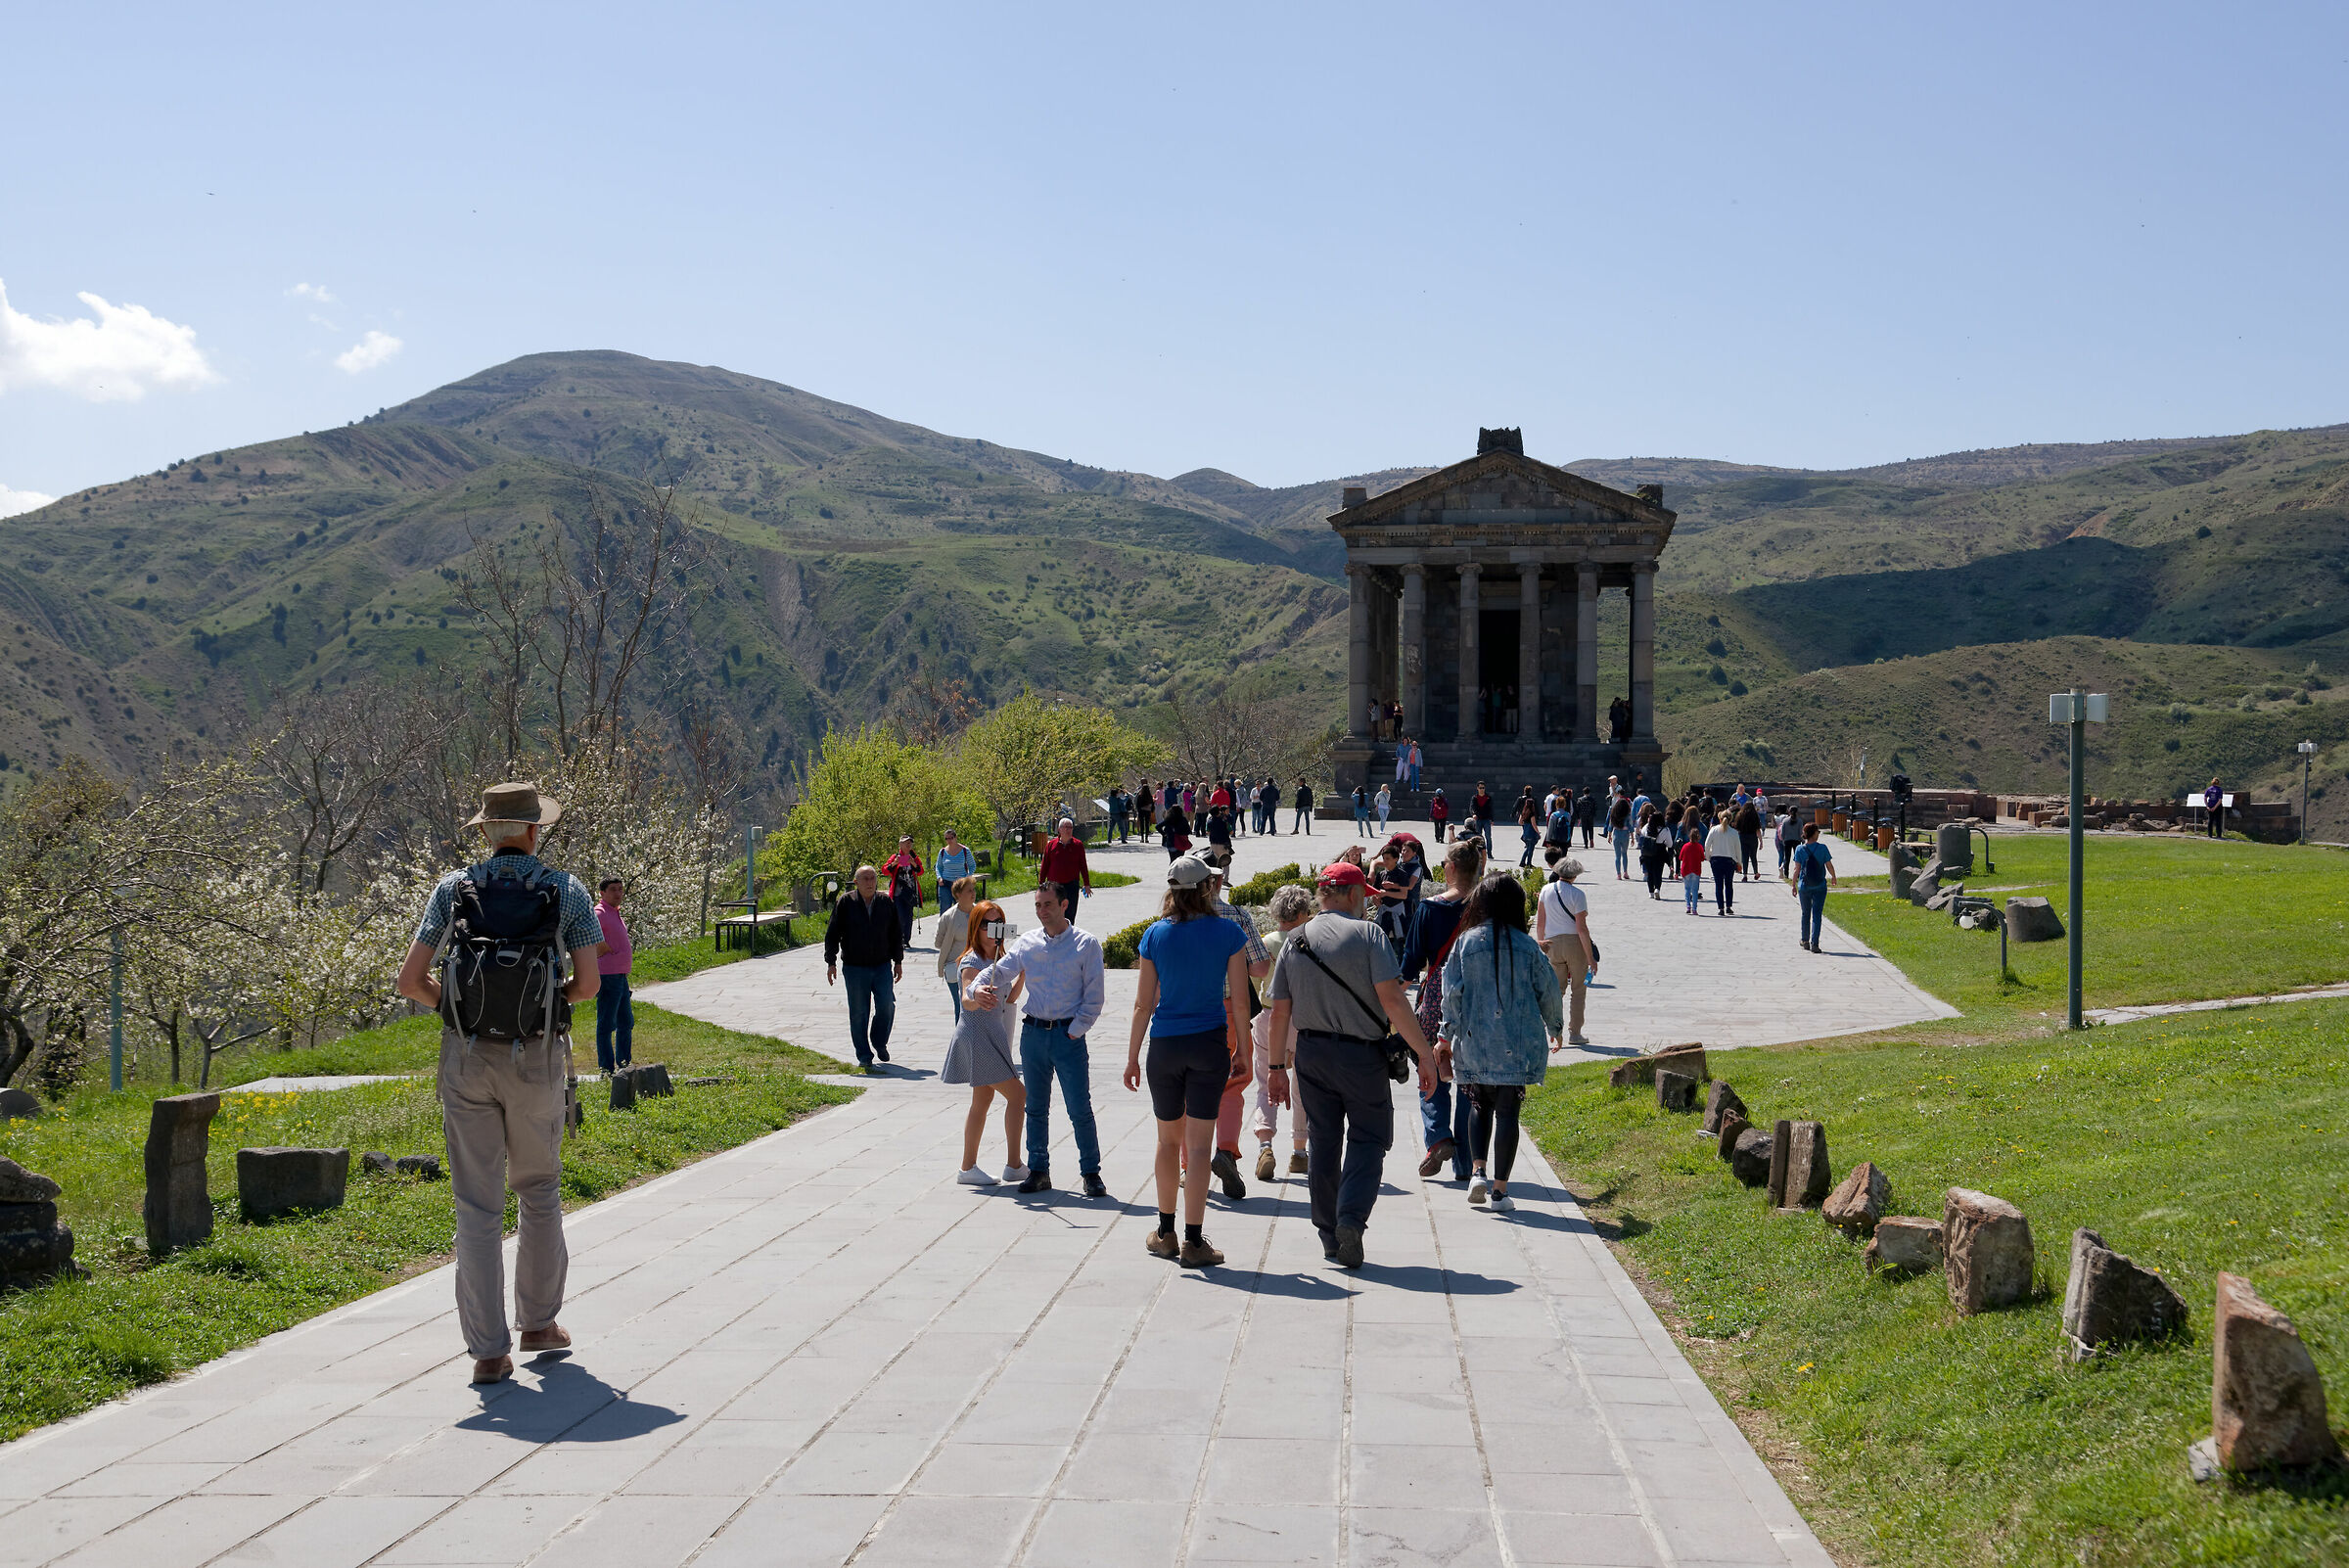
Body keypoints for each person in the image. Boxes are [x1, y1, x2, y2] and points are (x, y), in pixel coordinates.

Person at [394, 781, 602, 1386]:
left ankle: (488, 1352)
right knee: (538, 1188)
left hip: (466, 1058)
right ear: (535, 831)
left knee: (477, 1206)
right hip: (535, 1058)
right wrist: (542, 1007)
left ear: (486, 832)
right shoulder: (566, 891)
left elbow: (411, 979)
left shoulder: (451, 890)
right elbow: (587, 984)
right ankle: (537, 1324)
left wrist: (460, 1015)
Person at [1263, 862, 1436, 1268]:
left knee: (1323, 1141)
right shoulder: (1369, 934)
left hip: (1311, 1054)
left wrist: (1274, 1069)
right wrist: (1424, 1054)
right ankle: (1351, 1221)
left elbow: (1279, 1012)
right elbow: (1393, 1000)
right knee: (1369, 1138)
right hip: (1361, 1056)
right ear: (1355, 895)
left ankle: (1327, 1235)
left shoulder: (1295, 939)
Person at [1125, 855, 1251, 1266]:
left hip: (1164, 1047)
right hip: (1209, 1045)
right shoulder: (1228, 933)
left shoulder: (1155, 936)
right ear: (1206, 889)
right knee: (1199, 1147)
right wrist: (1245, 1050)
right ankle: (1194, 1243)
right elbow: (1241, 999)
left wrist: (1131, 1058)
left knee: (1167, 1141)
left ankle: (1165, 1233)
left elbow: (1144, 1004)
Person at [974, 883, 1108, 1197]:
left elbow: (1094, 995)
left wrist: (1077, 1028)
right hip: (1033, 1035)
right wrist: (976, 990)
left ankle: (1091, 1173)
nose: (1042, 911)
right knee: (1035, 1107)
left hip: (1068, 1036)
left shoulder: (1086, 944)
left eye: (1047, 904)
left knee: (1079, 1108)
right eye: (1037, 905)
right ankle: (1038, 1170)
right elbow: (999, 972)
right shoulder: (1027, 943)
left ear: (1064, 905)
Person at [1441, 873, 1559, 1213]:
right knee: (1508, 1114)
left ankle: (1477, 1171)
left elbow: (1452, 994)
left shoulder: (1466, 942)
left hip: (1475, 1040)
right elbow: (1548, 990)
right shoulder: (1526, 946)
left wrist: (1444, 1035)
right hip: (1517, 1045)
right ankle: (1500, 1192)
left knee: (1479, 1106)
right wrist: (1556, 1026)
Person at [1407, 838, 1482, 1182]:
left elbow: (1411, 962)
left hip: (1438, 992)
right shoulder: (1486, 906)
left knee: (1430, 1065)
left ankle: (1438, 1136)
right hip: (1480, 995)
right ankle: (1466, 1165)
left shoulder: (1430, 908)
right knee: (1470, 1079)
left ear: (1450, 869)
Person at [944, 900, 1031, 1187]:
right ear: (976, 928)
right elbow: (967, 997)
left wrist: (1022, 975)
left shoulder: (1001, 958)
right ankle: (1014, 1165)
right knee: (1018, 1095)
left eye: (998, 923)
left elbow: (1009, 1000)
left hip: (992, 1035)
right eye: (986, 924)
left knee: (982, 1101)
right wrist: (976, 995)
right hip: (977, 1035)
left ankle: (968, 1167)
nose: (993, 930)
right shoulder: (971, 960)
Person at [1251, 884, 1314, 1181]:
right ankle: (1299, 1151)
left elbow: (1254, 984)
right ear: (1303, 912)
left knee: (1266, 1082)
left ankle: (1265, 1144)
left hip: (1268, 1015)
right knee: (1303, 1086)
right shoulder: (1310, 941)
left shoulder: (1266, 942)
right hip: (1303, 1019)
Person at [824, 864, 904, 1073]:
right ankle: (864, 1055)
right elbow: (833, 932)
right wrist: (831, 962)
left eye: (872, 878)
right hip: (854, 967)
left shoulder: (885, 902)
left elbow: (896, 933)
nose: (870, 882)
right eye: (865, 879)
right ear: (856, 882)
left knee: (887, 1005)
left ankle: (879, 1041)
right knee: (859, 1012)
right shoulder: (846, 902)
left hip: (881, 965)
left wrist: (898, 961)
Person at [1533, 852, 1592, 1047]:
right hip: (1575, 943)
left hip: (1552, 943)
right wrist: (1591, 957)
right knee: (1578, 989)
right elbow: (1581, 929)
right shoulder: (1578, 895)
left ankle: (1548, 1026)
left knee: (1555, 990)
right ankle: (1575, 1033)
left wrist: (1541, 943)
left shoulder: (1545, 890)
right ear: (1575, 875)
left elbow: (1540, 923)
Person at [593, 877, 633, 1074]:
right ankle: (606, 1068)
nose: (618, 893)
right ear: (602, 893)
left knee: (626, 1022)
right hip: (608, 976)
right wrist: (606, 950)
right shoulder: (599, 913)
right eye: (613, 890)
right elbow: (588, 935)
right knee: (607, 1023)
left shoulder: (614, 912)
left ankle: (624, 1064)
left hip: (620, 976)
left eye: (620, 889)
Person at [936, 875, 979, 1023]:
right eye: (969, 891)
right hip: (955, 967)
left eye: (973, 890)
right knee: (960, 1004)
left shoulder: (981, 913)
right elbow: (938, 943)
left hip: (977, 966)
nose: (973, 893)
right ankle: (961, 1039)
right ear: (958, 895)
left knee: (976, 1004)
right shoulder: (948, 916)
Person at [1790, 823, 1838, 953]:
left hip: (1804, 886)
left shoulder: (1800, 849)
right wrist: (1833, 877)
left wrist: (1793, 884)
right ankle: (1815, 943)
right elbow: (1829, 865)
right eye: (1818, 832)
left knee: (1806, 913)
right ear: (1813, 833)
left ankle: (1805, 940)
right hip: (1820, 886)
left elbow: (1797, 869)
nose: (1818, 834)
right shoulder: (1822, 848)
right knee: (1817, 915)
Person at [1040, 817, 1092, 921]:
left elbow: (1083, 865)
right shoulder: (1051, 845)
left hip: (1071, 885)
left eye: (1070, 827)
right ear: (1059, 829)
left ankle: (1068, 935)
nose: (1068, 830)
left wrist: (1086, 884)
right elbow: (1045, 864)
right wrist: (1041, 884)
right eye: (1066, 827)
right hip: (1054, 886)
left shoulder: (1078, 845)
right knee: (1054, 913)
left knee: (1070, 914)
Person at [882, 836, 924, 945]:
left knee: (908, 915)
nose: (908, 845)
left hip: (910, 892)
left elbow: (920, 871)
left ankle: (906, 939)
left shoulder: (914, 857)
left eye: (910, 843)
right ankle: (899, 938)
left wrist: (913, 863)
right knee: (899, 915)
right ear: (900, 844)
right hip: (897, 892)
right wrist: (895, 863)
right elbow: (885, 871)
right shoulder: (895, 856)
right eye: (906, 843)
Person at [1704, 810, 1742, 916]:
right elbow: (1738, 849)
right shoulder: (1734, 833)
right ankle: (1729, 906)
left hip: (1716, 860)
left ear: (1719, 819)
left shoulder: (1713, 830)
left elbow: (1707, 845)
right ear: (1731, 820)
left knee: (1718, 885)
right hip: (1730, 861)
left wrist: (1708, 857)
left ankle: (1721, 908)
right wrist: (1739, 862)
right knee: (1729, 884)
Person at [935, 828, 977, 917]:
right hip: (945, 883)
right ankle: (944, 929)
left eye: (951, 838)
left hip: (960, 884)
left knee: (963, 908)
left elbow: (972, 865)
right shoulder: (942, 852)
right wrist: (939, 877)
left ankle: (964, 928)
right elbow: (938, 867)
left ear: (955, 837)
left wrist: (967, 878)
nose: (949, 840)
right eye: (947, 838)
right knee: (945, 909)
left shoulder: (965, 851)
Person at [1636, 809, 1670, 899]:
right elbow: (1670, 844)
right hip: (1660, 852)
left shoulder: (1647, 827)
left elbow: (1642, 833)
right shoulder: (1665, 829)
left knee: (1650, 873)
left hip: (1648, 852)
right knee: (1658, 873)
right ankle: (1657, 889)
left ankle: (1651, 892)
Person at [1734, 796, 1764, 882]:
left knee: (1745, 857)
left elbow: (1737, 829)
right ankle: (1756, 872)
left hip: (1742, 837)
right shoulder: (1755, 816)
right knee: (1753, 856)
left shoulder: (1740, 815)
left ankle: (1745, 875)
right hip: (1753, 838)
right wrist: (1761, 841)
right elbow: (1757, 830)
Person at [1678, 829, 1706, 914]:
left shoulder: (1685, 846)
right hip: (1696, 870)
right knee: (1695, 890)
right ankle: (1694, 908)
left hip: (1686, 869)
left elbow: (1680, 857)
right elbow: (1702, 858)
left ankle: (1688, 906)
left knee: (1687, 889)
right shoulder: (1700, 847)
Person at [1608, 790, 1634, 879]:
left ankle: (1618, 874)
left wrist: (1609, 835)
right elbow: (1630, 826)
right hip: (1625, 835)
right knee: (1624, 854)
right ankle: (1625, 872)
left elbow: (1610, 825)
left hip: (1616, 834)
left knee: (1617, 856)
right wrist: (1633, 838)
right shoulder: (1627, 815)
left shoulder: (1614, 815)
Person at [1161, 798, 1193, 862]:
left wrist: (1164, 834)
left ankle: (1172, 871)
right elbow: (1188, 830)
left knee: (1172, 860)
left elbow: (1161, 828)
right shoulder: (1183, 819)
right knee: (1180, 861)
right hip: (1181, 842)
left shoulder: (1169, 819)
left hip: (1171, 842)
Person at [1775, 806, 1803, 879]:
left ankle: (1786, 874)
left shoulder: (1785, 821)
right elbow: (1801, 833)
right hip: (1797, 841)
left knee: (1787, 858)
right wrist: (1803, 841)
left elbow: (1782, 833)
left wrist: (1783, 840)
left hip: (1787, 841)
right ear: (1797, 812)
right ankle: (1797, 874)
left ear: (1789, 812)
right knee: (1797, 858)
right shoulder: (1799, 821)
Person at [1515, 788, 1540, 867]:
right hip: (1531, 832)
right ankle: (1528, 863)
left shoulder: (1523, 813)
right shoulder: (1532, 813)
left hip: (1526, 831)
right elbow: (1533, 824)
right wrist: (1538, 832)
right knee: (1531, 849)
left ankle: (1522, 862)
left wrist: (1524, 824)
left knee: (1528, 848)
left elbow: (1520, 822)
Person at [1471, 782, 1496, 853]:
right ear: (1477, 788)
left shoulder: (1488, 798)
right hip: (1478, 820)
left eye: (1483, 788)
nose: (1482, 789)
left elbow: (1491, 809)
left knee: (1488, 837)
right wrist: (1473, 814)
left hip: (1486, 820)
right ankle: (1478, 852)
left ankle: (1489, 852)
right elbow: (1472, 807)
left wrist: (1492, 819)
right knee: (1478, 837)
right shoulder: (1474, 798)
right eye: (1480, 788)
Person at [1576, 785, 1596, 849]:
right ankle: (1591, 840)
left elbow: (1577, 809)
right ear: (1589, 792)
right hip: (1590, 816)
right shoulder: (1592, 799)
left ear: (1583, 792)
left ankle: (1585, 843)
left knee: (1584, 829)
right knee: (1590, 829)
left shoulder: (1580, 799)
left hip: (1583, 816)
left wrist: (1578, 817)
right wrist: (1593, 815)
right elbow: (1595, 808)